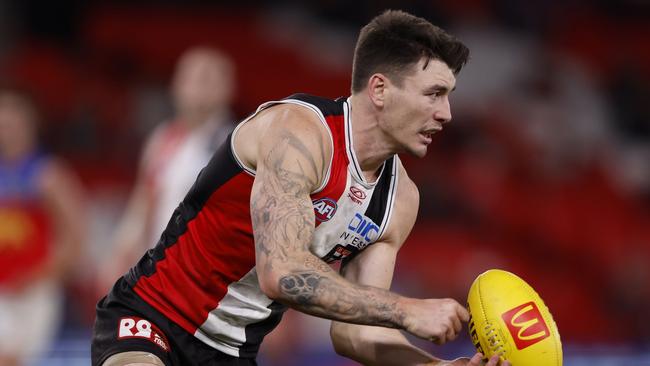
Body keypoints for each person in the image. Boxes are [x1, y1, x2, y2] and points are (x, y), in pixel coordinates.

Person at [92, 10, 509, 366]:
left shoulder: (400, 200)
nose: (447, 114)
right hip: (151, 316)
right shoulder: (298, 132)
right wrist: (406, 310)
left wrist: (436, 365)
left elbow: (355, 337)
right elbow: (282, 272)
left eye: (448, 96)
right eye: (434, 94)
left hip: (233, 352)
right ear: (380, 89)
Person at [97, 46, 236, 293]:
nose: (197, 86)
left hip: (212, 278)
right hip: (164, 272)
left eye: (207, 78)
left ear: (227, 88)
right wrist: (121, 251)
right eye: (190, 77)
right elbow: (144, 201)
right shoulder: (163, 139)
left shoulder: (235, 144)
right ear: (175, 85)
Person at [0, 86, 86, 365]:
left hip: (34, 293)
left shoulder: (49, 175)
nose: (8, 124)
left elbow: (76, 240)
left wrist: (38, 276)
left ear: (32, 121)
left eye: (15, 117)